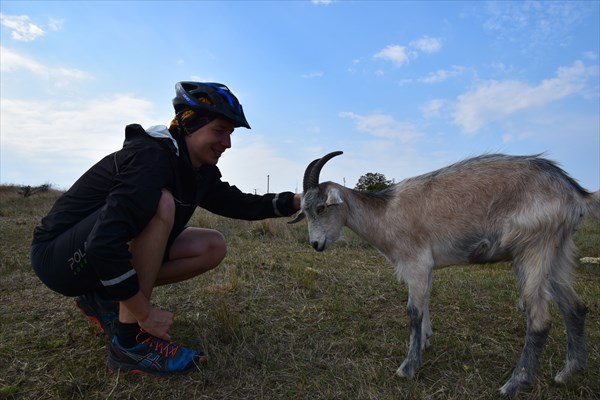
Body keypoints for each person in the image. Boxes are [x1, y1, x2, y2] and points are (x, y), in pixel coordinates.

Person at [30, 81, 301, 375]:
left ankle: (105, 297)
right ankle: (128, 346)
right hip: (58, 259)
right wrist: (146, 314)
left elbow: (239, 203)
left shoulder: (196, 171)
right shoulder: (152, 158)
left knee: (212, 245)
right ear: (190, 125)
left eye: (230, 134)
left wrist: (297, 201)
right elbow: (102, 244)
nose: (227, 143)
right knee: (163, 203)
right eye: (219, 131)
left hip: (96, 259)